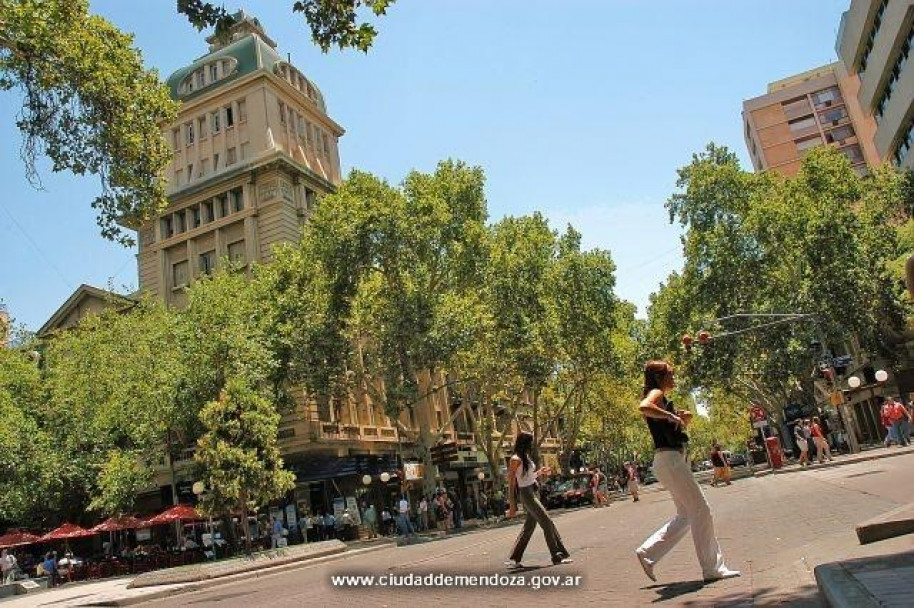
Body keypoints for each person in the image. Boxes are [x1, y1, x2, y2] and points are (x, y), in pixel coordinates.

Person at [635, 360, 739, 583]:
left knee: (686, 515)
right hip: (670, 460)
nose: (673, 377)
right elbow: (644, 406)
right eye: (670, 374)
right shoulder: (654, 392)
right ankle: (712, 568)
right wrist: (671, 416)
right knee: (701, 510)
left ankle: (648, 552)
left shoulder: (662, 398)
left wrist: (679, 416)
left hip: (669, 461)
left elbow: (665, 421)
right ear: (659, 377)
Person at [505, 430, 572, 568]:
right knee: (547, 523)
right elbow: (512, 483)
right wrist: (512, 504)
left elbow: (526, 477)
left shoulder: (525, 457)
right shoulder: (515, 459)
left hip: (532, 491)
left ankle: (515, 559)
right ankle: (557, 555)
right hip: (527, 495)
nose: (532, 444)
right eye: (530, 442)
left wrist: (539, 473)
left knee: (529, 526)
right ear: (525, 443)